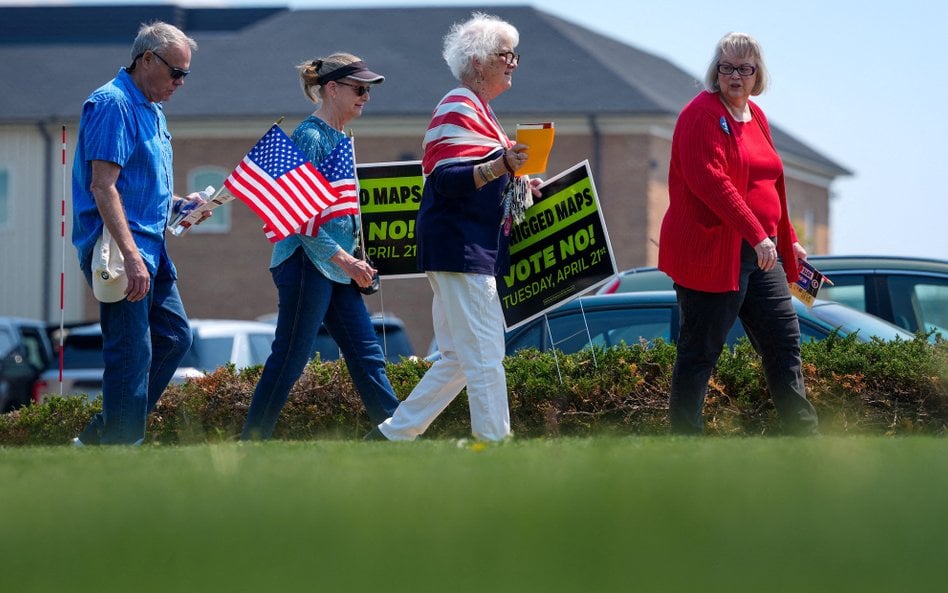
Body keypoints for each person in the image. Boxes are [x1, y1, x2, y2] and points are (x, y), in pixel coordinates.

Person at [367, 13, 541, 442]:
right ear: (478, 62)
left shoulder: (478, 110)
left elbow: (478, 174)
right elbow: (445, 178)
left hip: (461, 248)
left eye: (514, 55)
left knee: (458, 358)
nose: (513, 63)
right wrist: (502, 165)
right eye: (506, 55)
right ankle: (494, 446)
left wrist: (518, 181)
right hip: (462, 248)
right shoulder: (459, 105)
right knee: (485, 354)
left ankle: (393, 436)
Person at [657, 32, 819, 436]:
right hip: (713, 251)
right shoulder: (700, 114)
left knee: (784, 343)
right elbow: (711, 182)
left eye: (744, 69)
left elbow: (770, 184)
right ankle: (684, 444)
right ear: (716, 71)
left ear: (757, 74)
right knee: (700, 352)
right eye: (727, 67)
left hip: (762, 252)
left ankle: (805, 437)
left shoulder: (757, 116)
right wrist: (756, 234)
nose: (735, 76)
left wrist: (786, 237)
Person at [240, 53, 400, 440]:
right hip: (304, 262)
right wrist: (347, 261)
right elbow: (298, 218)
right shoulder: (310, 137)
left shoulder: (341, 137)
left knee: (367, 355)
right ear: (332, 88)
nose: (366, 97)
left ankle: (398, 435)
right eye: (359, 89)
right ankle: (251, 444)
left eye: (368, 90)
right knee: (290, 358)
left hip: (335, 267)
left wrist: (353, 258)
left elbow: (339, 213)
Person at [72, 21, 208, 446]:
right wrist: (131, 256)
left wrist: (180, 205)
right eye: (176, 72)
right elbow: (103, 186)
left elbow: (140, 190)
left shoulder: (152, 109)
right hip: (120, 251)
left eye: (185, 74)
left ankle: (101, 438)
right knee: (132, 352)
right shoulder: (112, 104)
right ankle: (121, 448)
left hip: (152, 248)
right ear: (147, 59)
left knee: (174, 337)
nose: (180, 82)